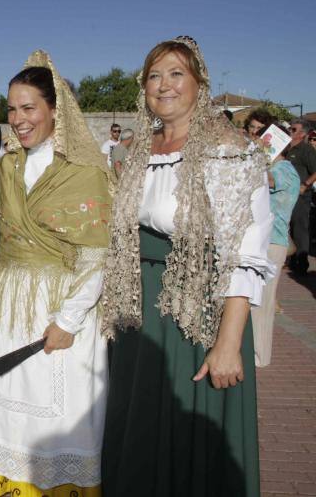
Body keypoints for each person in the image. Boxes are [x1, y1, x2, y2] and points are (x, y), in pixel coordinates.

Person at [101, 37, 273, 497]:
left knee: (187, 441)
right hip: (142, 309)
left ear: (200, 82)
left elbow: (245, 253)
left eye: (177, 73)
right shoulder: (140, 148)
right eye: (155, 76)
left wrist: (228, 344)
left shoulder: (229, 149)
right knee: (139, 431)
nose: (164, 85)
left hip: (198, 311)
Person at [0, 51, 111, 496]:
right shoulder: (6, 165)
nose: (18, 119)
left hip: (61, 310)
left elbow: (97, 257)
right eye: (11, 108)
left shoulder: (85, 173)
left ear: (55, 110)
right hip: (6, 306)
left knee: (60, 419)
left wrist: (68, 321)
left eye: (29, 108)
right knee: (4, 415)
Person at [251, 118, 299, 366]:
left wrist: (254, 158)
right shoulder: (277, 168)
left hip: (273, 242)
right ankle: (256, 354)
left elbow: (268, 180)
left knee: (262, 302)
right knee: (256, 299)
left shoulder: (284, 170)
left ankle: (259, 356)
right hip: (266, 241)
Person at [285, 118, 316, 275]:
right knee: (286, 226)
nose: (290, 131)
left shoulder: (306, 150)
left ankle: (301, 261)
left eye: (293, 129)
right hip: (285, 194)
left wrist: (305, 185)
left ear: (302, 133)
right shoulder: (287, 148)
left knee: (299, 227)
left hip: (300, 195)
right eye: (290, 128)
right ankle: (288, 258)